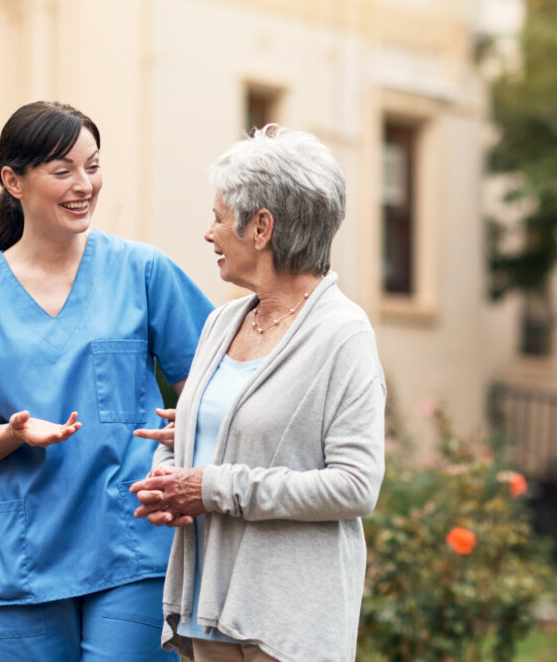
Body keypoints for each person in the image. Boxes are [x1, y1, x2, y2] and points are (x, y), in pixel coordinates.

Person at [0, 101, 213, 661]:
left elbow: (211, 383)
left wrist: (187, 431)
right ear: (12, 181)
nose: (84, 185)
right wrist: (12, 433)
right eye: (62, 170)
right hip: (27, 558)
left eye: (93, 166)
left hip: (132, 543)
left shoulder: (142, 271)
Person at [130, 125, 386, 662]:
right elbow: (204, 431)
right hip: (206, 612)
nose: (210, 233)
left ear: (262, 227)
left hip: (287, 622)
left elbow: (355, 486)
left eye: (220, 218)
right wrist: (168, 474)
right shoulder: (220, 323)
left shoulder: (343, 334)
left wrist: (211, 486)